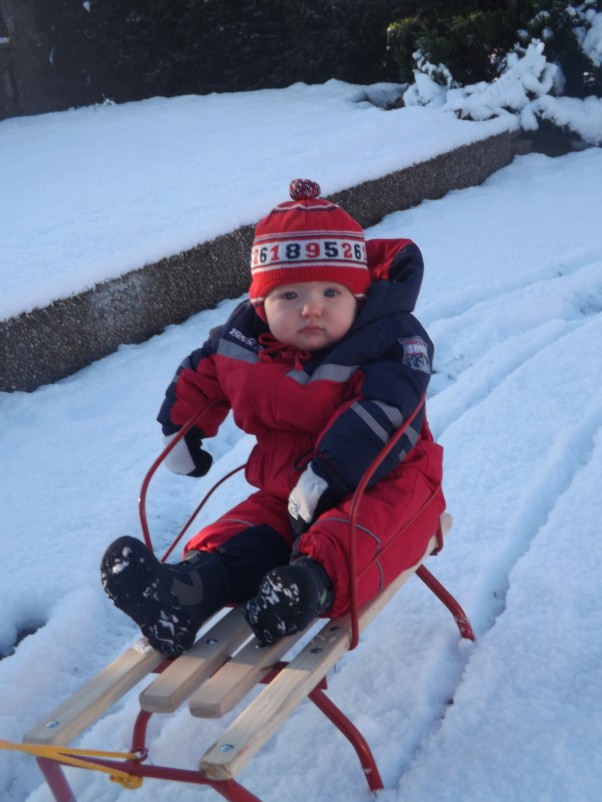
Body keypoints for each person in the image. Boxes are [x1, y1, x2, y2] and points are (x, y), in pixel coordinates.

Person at [101, 178, 444, 657]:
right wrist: (182, 430)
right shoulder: (244, 341)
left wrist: (329, 472)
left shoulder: (392, 340)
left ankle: (309, 586)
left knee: (357, 531)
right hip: (291, 492)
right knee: (248, 531)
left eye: (331, 291)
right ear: (262, 304)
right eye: (289, 296)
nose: (311, 308)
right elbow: (205, 372)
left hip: (390, 481)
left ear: (359, 298)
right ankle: (184, 594)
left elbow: (385, 412)